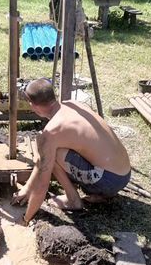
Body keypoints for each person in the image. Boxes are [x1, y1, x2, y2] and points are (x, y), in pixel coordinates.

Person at [11, 78, 131, 225]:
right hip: (124, 174)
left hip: (108, 180)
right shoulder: (72, 105)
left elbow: (43, 184)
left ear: (32, 105)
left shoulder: (52, 132)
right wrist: (28, 188)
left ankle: (73, 200)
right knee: (48, 150)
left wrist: (26, 218)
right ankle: (101, 194)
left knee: (51, 153)